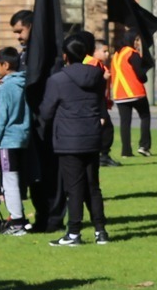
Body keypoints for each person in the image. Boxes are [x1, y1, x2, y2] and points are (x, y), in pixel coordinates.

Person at [39, 34, 110, 245]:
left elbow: (46, 111)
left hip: (69, 139)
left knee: (74, 188)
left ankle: (74, 232)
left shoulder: (57, 80)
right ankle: (100, 231)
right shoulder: (96, 75)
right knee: (93, 186)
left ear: (64, 56)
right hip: (91, 134)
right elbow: (99, 103)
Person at [0, 47, 31, 234]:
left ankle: (16, 220)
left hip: (8, 139)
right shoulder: (25, 83)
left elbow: (0, 118)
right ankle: (18, 216)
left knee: (9, 180)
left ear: (5, 65)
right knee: (19, 179)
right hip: (24, 137)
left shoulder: (6, 87)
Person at [108, 28, 153, 157]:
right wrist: (145, 78)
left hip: (119, 94)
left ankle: (126, 151)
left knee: (125, 122)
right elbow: (140, 73)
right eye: (137, 40)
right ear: (132, 40)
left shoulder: (116, 55)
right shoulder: (132, 54)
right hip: (135, 92)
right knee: (145, 116)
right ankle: (144, 146)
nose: (138, 43)